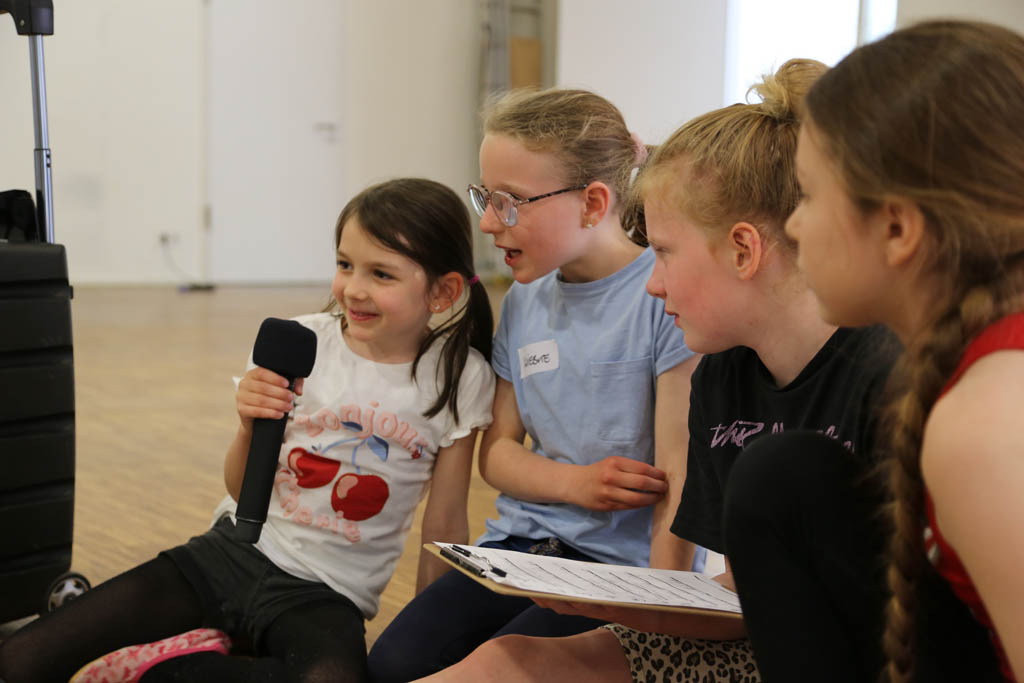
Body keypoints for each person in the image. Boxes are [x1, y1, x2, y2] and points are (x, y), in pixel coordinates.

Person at [416, 59, 904, 683]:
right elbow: (749, 600)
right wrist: (610, 603)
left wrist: (627, 598)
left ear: (744, 250)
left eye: (666, 253)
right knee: (502, 663)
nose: (651, 282)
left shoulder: (886, 377)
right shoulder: (724, 378)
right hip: (768, 642)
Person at [0, 178, 496, 683]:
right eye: (345, 264)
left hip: (326, 594)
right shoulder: (299, 342)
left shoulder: (461, 377)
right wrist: (247, 426)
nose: (353, 288)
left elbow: (445, 523)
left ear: (443, 291)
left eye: (381, 274)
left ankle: (174, 666)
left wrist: (427, 642)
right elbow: (241, 488)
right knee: (21, 660)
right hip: (230, 553)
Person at [367, 88, 700, 682]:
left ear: (593, 203)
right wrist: (577, 483)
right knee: (394, 664)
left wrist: (660, 619)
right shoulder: (524, 300)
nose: (488, 223)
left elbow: (679, 480)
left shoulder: (663, 297)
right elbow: (498, 454)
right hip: (519, 551)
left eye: (510, 203)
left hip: (617, 571)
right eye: (485, 198)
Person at [734, 20, 1024, 683]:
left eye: (807, 196)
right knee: (786, 478)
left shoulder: (987, 420)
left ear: (896, 227)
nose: (795, 224)